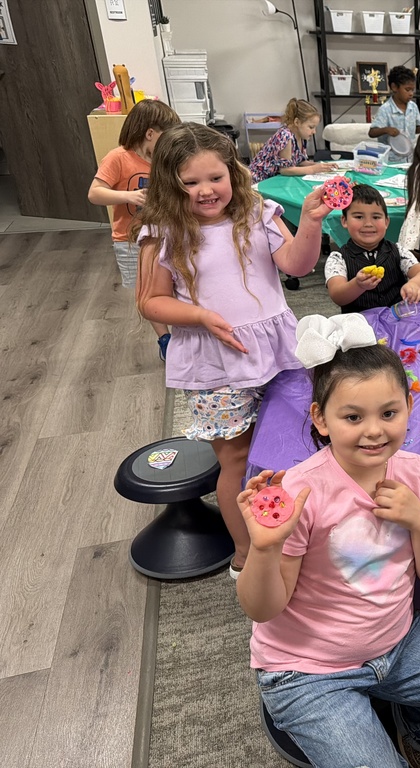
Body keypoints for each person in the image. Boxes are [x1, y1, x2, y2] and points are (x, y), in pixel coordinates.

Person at [238, 313, 420, 768]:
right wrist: (265, 550)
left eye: (389, 413)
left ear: (408, 405)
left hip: (399, 645)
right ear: (320, 419)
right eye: (353, 417)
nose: (374, 430)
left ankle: (417, 736)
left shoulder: (419, 475)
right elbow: (262, 609)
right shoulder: (301, 492)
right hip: (307, 670)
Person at [133, 123, 328, 578]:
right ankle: (245, 551)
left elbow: (297, 264)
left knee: (292, 443)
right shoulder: (163, 231)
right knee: (236, 460)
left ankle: (293, 533)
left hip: (277, 353)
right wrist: (200, 316)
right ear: (169, 184)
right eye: (190, 182)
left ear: (232, 172)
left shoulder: (257, 210)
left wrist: (312, 223)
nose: (206, 190)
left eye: (215, 177)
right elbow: (150, 302)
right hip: (215, 365)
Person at [87, 99, 180, 360]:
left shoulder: (163, 160)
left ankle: (184, 334)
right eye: (165, 136)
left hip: (165, 236)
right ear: (150, 133)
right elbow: (95, 193)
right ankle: (164, 338)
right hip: (130, 241)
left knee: (172, 286)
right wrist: (127, 196)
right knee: (146, 292)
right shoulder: (118, 157)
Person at [325, 184, 420, 312]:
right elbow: (337, 295)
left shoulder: (398, 251)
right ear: (344, 221)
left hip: (398, 318)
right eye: (359, 217)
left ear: (386, 222)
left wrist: (414, 284)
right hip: (361, 321)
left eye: (376, 217)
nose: (368, 224)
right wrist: (358, 285)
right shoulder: (338, 258)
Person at [249, 98, 335, 183]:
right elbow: (285, 170)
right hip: (259, 181)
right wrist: (313, 169)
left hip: (274, 179)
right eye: (311, 127)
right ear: (297, 122)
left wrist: (321, 166)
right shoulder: (285, 136)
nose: (314, 132)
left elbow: (299, 162)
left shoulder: (301, 137)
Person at [369, 65, 420, 164]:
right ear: (394, 87)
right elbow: (372, 132)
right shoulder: (385, 109)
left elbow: (416, 129)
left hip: (410, 159)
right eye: (407, 90)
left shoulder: (413, 107)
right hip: (391, 161)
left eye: (412, 90)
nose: (411, 93)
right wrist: (386, 130)